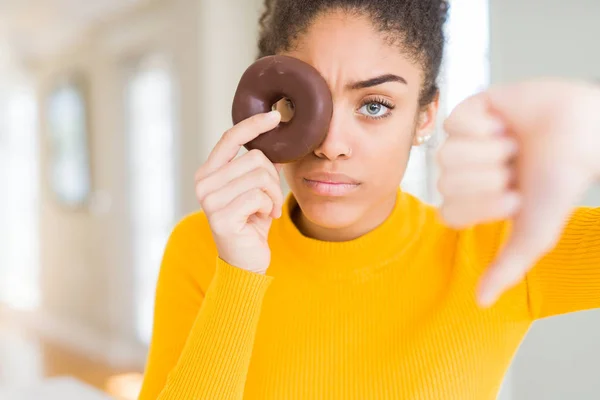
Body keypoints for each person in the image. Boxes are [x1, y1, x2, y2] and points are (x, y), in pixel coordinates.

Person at [138, 1, 600, 398]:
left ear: (424, 117)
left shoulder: (499, 247)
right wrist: (238, 277)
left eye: (374, 105)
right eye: (301, 103)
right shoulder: (202, 249)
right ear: (272, 106)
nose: (331, 144)